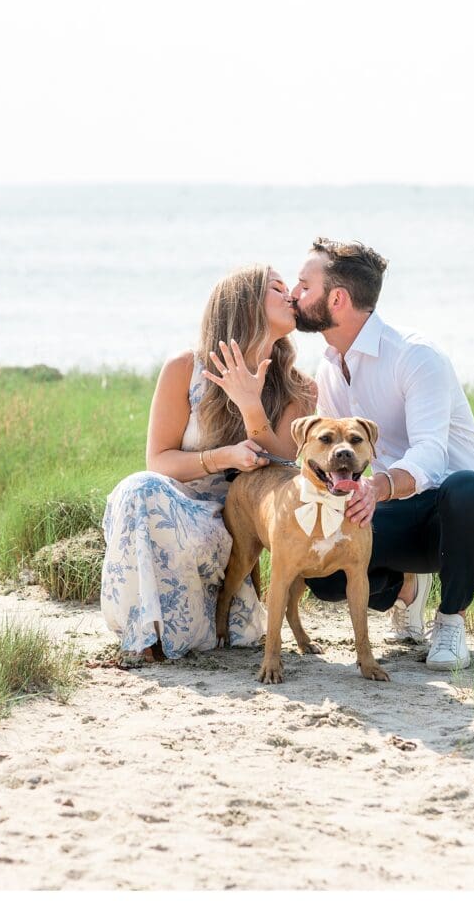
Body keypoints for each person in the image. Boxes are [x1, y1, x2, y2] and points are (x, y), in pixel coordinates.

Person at [290, 238, 474, 670]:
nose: (295, 295)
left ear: (337, 298)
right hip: (390, 512)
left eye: (303, 285)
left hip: (461, 518)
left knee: (466, 488)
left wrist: (378, 486)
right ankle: (407, 593)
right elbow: (336, 455)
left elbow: (430, 452)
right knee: (327, 576)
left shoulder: (415, 354)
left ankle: (450, 621)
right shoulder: (330, 365)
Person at [101, 265, 315, 662]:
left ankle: (194, 622)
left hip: (238, 525)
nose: (291, 296)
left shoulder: (299, 387)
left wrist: (250, 404)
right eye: (277, 288)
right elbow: (159, 460)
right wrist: (224, 457)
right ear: (244, 303)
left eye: (291, 289)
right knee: (138, 487)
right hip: (177, 507)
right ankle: (147, 634)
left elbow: (285, 463)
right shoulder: (185, 367)